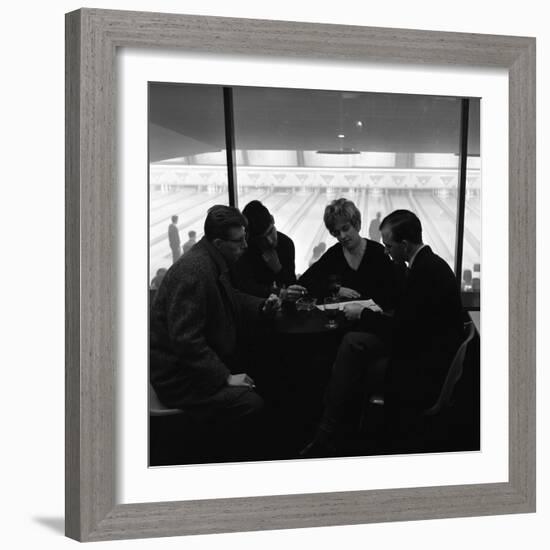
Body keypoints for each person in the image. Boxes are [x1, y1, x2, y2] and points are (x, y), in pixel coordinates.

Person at [301, 209, 464, 456]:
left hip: (422, 363)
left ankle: (334, 431)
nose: (386, 252)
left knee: (351, 351)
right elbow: (407, 322)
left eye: (389, 246)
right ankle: (343, 427)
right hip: (423, 348)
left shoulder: (424, 273)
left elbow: (403, 333)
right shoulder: (426, 265)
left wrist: (363, 315)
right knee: (351, 344)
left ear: (405, 245)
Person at [150, 205, 280, 432]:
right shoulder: (195, 272)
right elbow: (186, 340)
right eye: (239, 241)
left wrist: (261, 306)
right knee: (253, 403)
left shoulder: (211, 259)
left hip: (195, 367)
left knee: (267, 367)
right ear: (219, 244)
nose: (245, 246)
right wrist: (224, 378)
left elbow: (230, 297)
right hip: (180, 381)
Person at [298, 198, 403, 310]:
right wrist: (336, 290)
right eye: (337, 232)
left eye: (345, 228)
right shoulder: (334, 254)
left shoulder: (377, 252)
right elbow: (305, 282)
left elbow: (392, 294)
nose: (342, 236)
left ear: (357, 225)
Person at [230, 200, 302, 299]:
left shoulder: (286, 244)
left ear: (272, 220)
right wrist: (279, 292)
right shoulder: (245, 249)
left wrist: (278, 269)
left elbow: (291, 285)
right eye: (262, 239)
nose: (269, 241)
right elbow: (247, 288)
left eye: (270, 232)